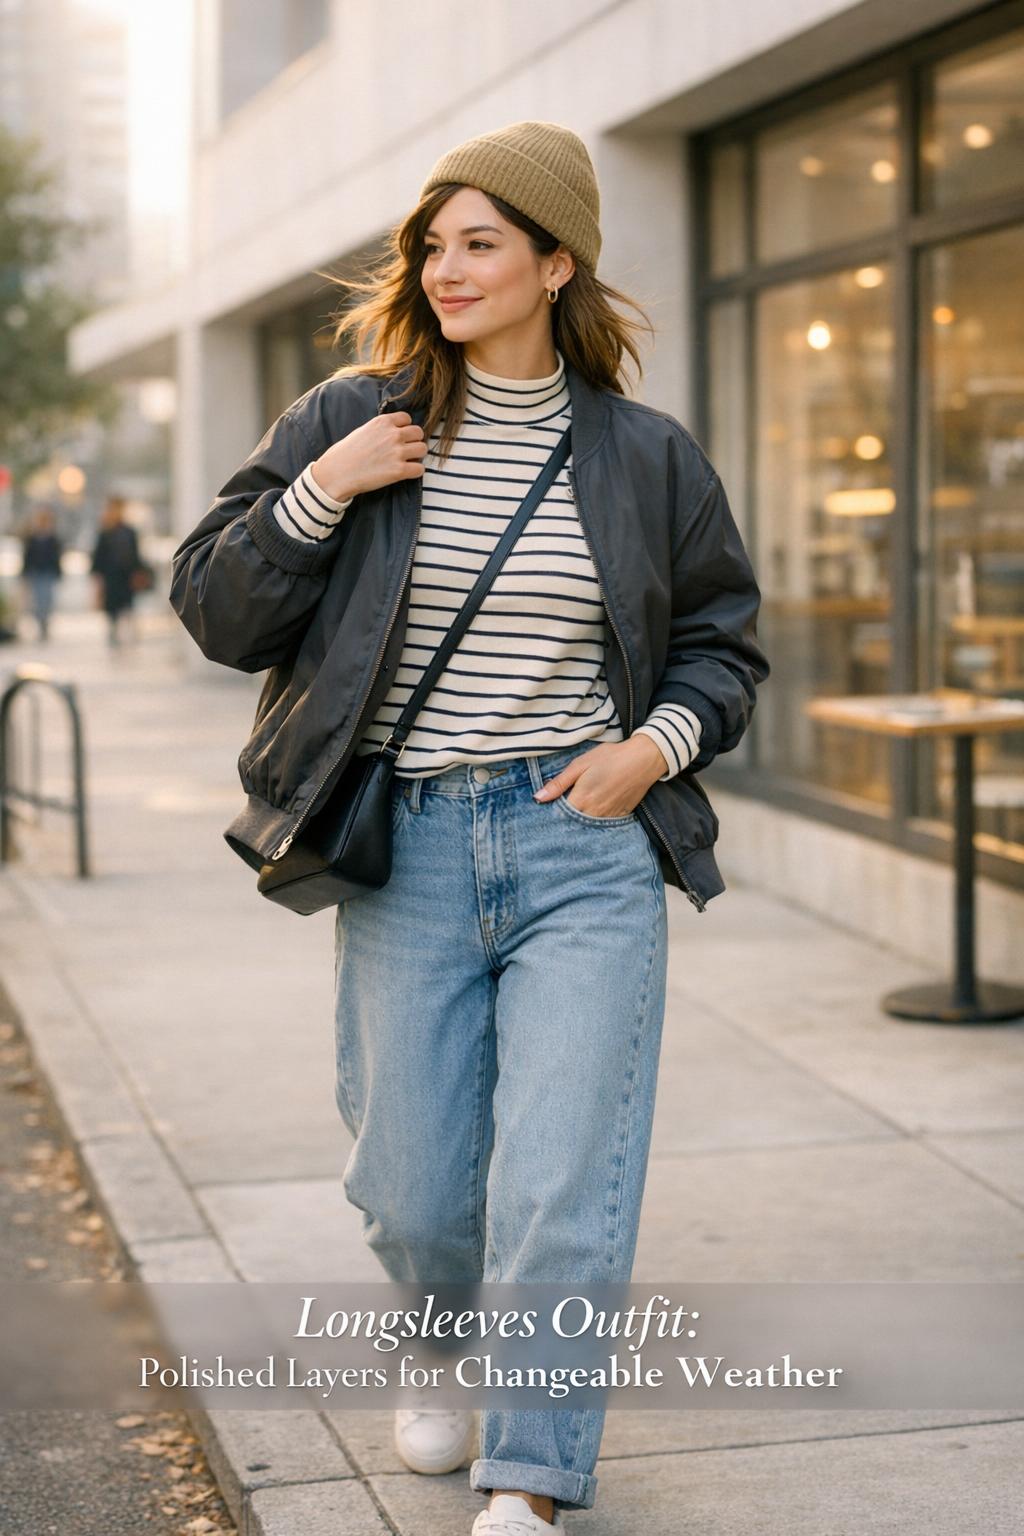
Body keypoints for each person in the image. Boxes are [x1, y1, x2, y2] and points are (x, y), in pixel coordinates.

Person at [170, 121, 769, 1533]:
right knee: (420, 1193)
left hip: (583, 839)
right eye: (431, 245)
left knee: (565, 1180)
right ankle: (440, 1336)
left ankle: (533, 1479)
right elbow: (213, 606)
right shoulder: (350, 418)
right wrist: (325, 495)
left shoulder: (644, 456)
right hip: (411, 846)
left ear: (559, 264)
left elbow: (723, 646)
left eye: (482, 242)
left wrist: (651, 750)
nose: (446, 269)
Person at [91, 496, 140, 647]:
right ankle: (114, 636)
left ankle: (129, 636)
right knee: (112, 609)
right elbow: (98, 557)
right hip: (110, 577)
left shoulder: (129, 531)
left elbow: (135, 555)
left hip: (126, 576)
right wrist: (97, 578)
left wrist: (138, 572)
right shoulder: (105, 532)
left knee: (127, 607)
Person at [19, 505, 63, 641]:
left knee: (47, 600)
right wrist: (25, 573)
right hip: (36, 573)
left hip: (48, 573)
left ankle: (45, 623)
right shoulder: (32, 537)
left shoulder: (53, 538)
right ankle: (40, 623)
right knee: (37, 601)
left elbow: (57, 557)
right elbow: (27, 556)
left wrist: (58, 572)